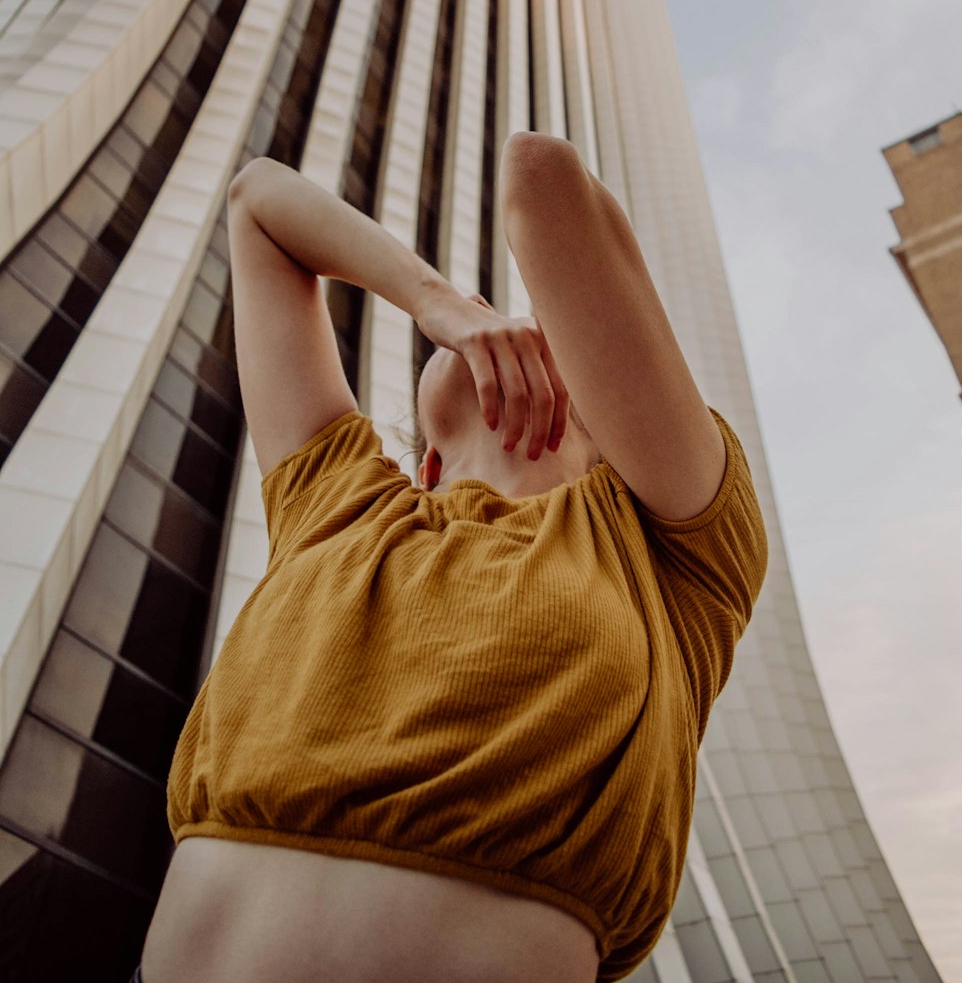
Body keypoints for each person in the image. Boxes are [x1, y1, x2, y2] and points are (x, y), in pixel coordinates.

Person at [137, 130, 768, 983]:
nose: (510, 321)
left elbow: (540, 179)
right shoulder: (341, 504)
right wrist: (434, 300)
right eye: (489, 308)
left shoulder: (670, 549)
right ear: (425, 459)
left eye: (547, 325)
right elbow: (259, 204)